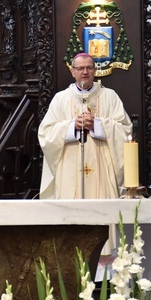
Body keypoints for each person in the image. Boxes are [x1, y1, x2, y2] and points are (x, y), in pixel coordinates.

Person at [38, 53, 132, 199]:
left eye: (89, 67)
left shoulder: (109, 96)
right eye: (80, 68)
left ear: (95, 70)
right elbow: (45, 133)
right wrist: (72, 126)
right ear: (72, 71)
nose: (85, 72)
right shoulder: (61, 99)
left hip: (102, 168)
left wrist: (98, 125)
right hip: (69, 169)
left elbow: (125, 131)